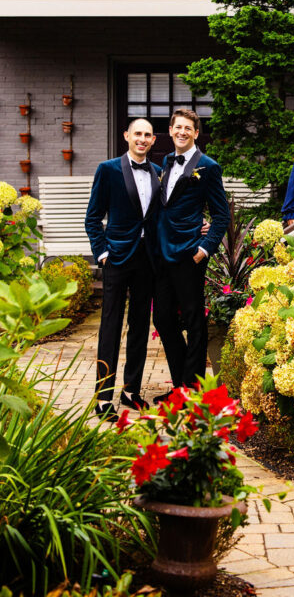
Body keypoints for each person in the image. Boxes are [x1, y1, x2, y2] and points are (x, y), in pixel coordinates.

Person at [85, 117, 161, 421]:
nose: (142, 139)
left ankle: (131, 390)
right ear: (126, 136)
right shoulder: (108, 169)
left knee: (141, 325)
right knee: (110, 325)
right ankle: (103, 398)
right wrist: (102, 253)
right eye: (137, 133)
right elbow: (93, 217)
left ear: (154, 140)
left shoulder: (157, 173)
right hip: (116, 258)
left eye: (148, 135)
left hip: (147, 260)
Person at [153, 108, 230, 399]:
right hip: (162, 254)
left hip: (189, 255)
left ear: (196, 133)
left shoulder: (208, 166)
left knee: (195, 321)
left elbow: (221, 216)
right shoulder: (165, 161)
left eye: (188, 128)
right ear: (171, 131)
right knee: (162, 319)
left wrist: (204, 248)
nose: (182, 132)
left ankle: (190, 390)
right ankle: (182, 386)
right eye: (178, 127)